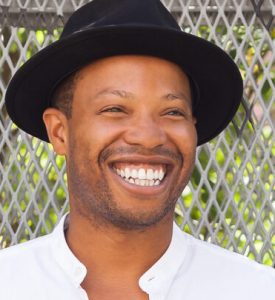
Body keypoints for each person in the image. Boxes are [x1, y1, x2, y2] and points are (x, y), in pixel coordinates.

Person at [1, 0, 275, 299]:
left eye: (172, 112)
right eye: (115, 108)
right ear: (59, 132)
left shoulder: (256, 290)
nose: (148, 137)